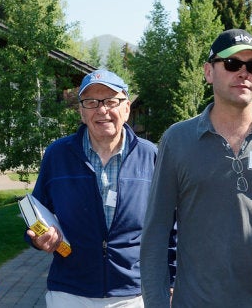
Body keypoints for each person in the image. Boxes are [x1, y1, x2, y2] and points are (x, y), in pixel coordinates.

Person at [140, 29, 252, 307]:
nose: (244, 73)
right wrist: (157, 302)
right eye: (233, 64)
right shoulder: (177, 140)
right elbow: (156, 230)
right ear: (209, 72)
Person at [26, 69, 175, 307]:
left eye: (110, 101)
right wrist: (37, 239)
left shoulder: (152, 156)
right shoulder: (58, 155)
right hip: (69, 293)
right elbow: (35, 214)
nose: (102, 110)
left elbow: (171, 225)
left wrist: (172, 281)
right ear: (82, 112)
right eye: (91, 102)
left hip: (134, 294)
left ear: (126, 108)